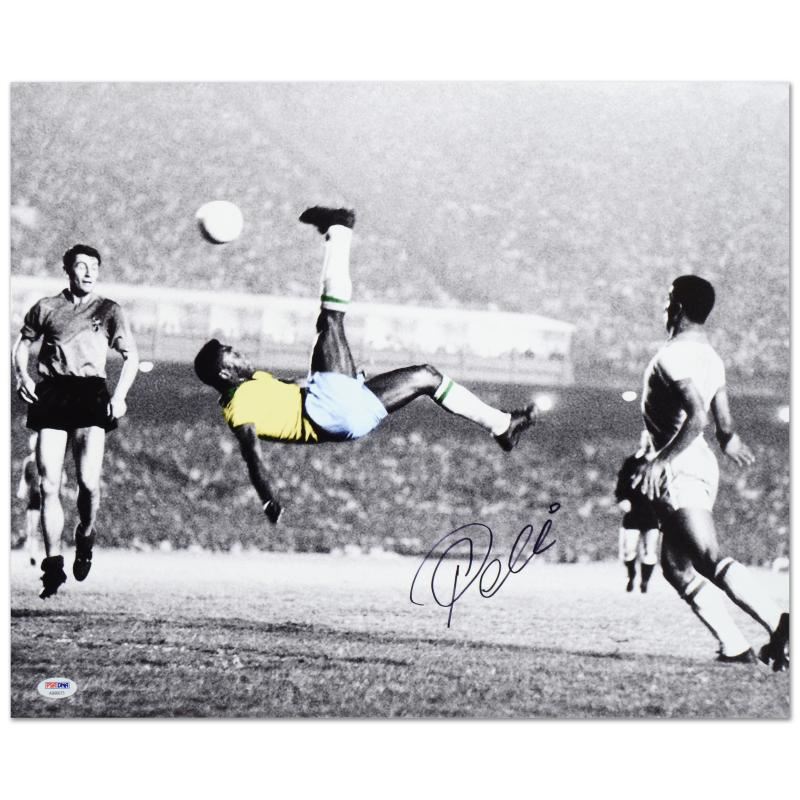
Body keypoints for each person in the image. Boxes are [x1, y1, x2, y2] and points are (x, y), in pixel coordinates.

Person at [194, 206, 537, 523]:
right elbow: (251, 454)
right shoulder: (238, 407)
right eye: (231, 353)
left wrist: (347, 379)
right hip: (329, 410)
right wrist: (268, 498)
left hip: (351, 415)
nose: (239, 353)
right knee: (330, 320)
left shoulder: (256, 384)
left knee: (427, 376)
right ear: (225, 372)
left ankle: (502, 425)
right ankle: (338, 229)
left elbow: (294, 391)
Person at [632, 275, 789, 670]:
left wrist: (660, 460)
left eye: (669, 298)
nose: (665, 306)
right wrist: (730, 441)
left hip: (681, 466)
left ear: (679, 307)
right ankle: (734, 646)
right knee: (675, 567)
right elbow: (724, 424)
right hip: (700, 461)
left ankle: (781, 624)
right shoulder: (711, 358)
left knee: (706, 557)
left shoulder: (672, 357)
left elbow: (698, 416)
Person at [12, 244, 139, 598]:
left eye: (94, 266)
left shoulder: (109, 309)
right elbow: (21, 344)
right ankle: (53, 565)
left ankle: (85, 533)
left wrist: (119, 396)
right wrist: (22, 375)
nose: (89, 272)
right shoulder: (46, 307)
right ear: (67, 270)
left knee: (87, 483)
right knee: (49, 484)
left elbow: (131, 357)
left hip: (90, 392)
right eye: (82, 266)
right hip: (53, 392)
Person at [614, 432, 660, 593]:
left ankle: (645, 582)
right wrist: (622, 499)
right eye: (645, 439)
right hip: (634, 511)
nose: (648, 442)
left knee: (650, 550)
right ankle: (631, 576)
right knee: (629, 549)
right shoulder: (632, 462)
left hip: (653, 512)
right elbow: (621, 485)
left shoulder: (660, 462)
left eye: (650, 439)